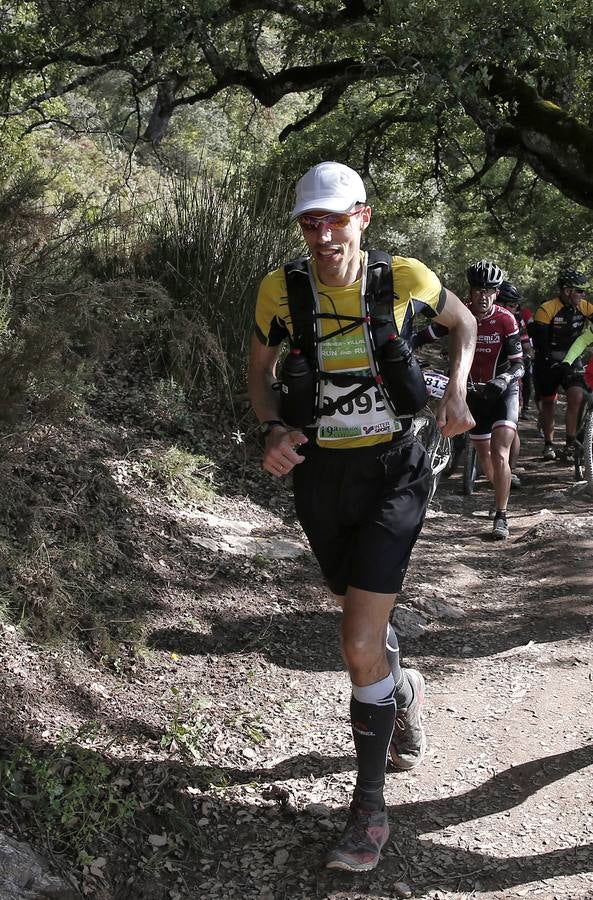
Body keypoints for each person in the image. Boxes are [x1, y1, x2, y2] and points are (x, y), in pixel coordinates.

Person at [248, 161, 477, 873]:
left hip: (398, 469)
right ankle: (401, 687)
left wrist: (456, 392)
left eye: (334, 219)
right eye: (308, 222)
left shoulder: (400, 277)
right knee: (356, 618)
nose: (321, 234)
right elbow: (259, 369)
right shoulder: (279, 289)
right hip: (321, 476)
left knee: (354, 640)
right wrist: (270, 429)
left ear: (362, 217)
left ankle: (368, 809)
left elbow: (461, 320)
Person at [464, 262, 525, 539]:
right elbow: (431, 334)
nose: (484, 297)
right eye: (479, 290)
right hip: (474, 394)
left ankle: (501, 516)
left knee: (500, 452)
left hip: (502, 391)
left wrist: (503, 380)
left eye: (490, 291)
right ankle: (500, 487)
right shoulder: (461, 314)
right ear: (471, 291)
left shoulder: (506, 320)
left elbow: (519, 364)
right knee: (486, 458)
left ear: (497, 292)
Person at [531, 267, 593, 460]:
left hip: (572, 359)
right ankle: (549, 445)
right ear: (567, 291)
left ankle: (570, 444)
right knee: (548, 403)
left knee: (576, 396)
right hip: (546, 359)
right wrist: (551, 361)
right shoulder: (546, 309)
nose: (583, 295)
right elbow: (540, 342)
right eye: (580, 291)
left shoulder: (584, 306)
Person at [497, 280, 532, 487]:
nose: (514, 308)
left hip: (510, 373)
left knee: (512, 426)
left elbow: (526, 342)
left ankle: (512, 469)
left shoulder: (516, 319)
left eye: (515, 305)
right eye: (510, 304)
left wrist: (528, 355)